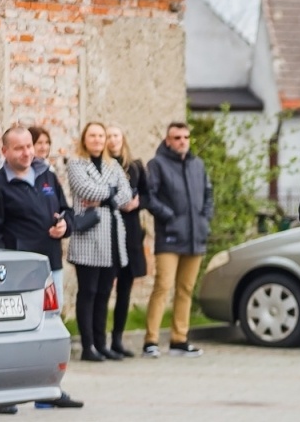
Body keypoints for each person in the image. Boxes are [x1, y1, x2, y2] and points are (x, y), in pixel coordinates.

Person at [0, 126, 82, 409]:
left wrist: (65, 226)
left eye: (29, 146)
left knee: (50, 330)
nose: (27, 152)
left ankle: (48, 390)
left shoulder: (46, 176)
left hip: (51, 265)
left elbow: (68, 210)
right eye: (19, 148)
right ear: (5, 152)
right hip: (18, 273)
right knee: (12, 335)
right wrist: (4, 269)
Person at [142, 121, 213, 358]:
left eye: (185, 137)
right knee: (163, 286)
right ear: (168, 141)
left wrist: (204, 219)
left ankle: (179, 340)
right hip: (170, 237)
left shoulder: (197, 165)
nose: (182, 141)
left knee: (186, 289)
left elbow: (208, 194)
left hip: (195, 237)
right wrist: (169, 217)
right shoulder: (157, 164)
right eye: (177, 137)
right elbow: (149, 197)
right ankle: (151, 340)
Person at [67, 121, 134, 362]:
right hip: (89, 237)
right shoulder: (76, 164)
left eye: (101, 136)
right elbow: (86, 190)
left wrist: (108, 196)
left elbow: (127, 195)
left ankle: (101, 342)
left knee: (105, 292)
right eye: (92, 135)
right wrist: (112, 193)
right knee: (89, 291)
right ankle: (88, 346)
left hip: (114, 237)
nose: (97, 140)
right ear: (84, 139)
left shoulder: (113, 164)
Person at [105, 125, 148, 358]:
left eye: (116, 136)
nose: (112, 140)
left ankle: (118, 339)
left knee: (125, 288)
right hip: (108, 229)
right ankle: (98, 339)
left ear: (123, 139)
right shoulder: (100, 167)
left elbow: (148, 195)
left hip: (131, 231)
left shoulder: (135, 167)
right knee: (104, 287)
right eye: (109, 136)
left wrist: (136, 204)